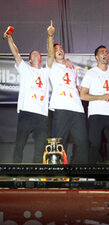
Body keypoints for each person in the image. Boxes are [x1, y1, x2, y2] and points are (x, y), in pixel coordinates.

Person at [3, 21, 53, 163]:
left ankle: (36, 179)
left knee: (40, 149)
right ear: (30, 59)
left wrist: (50, 36)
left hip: (41, 116)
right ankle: (15, 177)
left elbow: (51, 54)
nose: (37, 54)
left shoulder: (45, 71)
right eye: (33, 54)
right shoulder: (25, 69)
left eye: (38, 53)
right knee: (19, 146)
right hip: (26, 113)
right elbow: (16, 53)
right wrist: (9, 38)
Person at [48, 29, 89, 164]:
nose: (60, 50)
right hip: (62, 108)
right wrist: (51, 36)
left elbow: (76, 87)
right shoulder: (51, 66)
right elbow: (49, 54)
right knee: (60, 142)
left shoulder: (72, 68)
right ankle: (58, 175)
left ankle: (79, 173)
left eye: (61, 49)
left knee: (82, 142)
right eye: (57, 49)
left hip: (77, 109)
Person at [81, 45, 109, 163]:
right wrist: (100, 97)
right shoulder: (91, 73)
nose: (105, 54)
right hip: (96, 114)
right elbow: (83, 95)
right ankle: (90, 175)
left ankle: (108, 174)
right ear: (96, 57)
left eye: (107, 52)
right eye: (102, 52)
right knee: (94, 145)